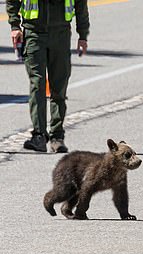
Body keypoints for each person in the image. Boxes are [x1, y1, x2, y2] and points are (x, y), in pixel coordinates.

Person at [6, 0, 90, 153]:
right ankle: (39, 135)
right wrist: (14, 25)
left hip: (61, 35)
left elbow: (80, 4)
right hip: (34, 34)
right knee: (38, 85)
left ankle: (57, 137)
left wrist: (83, 35)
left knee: (59, 87)